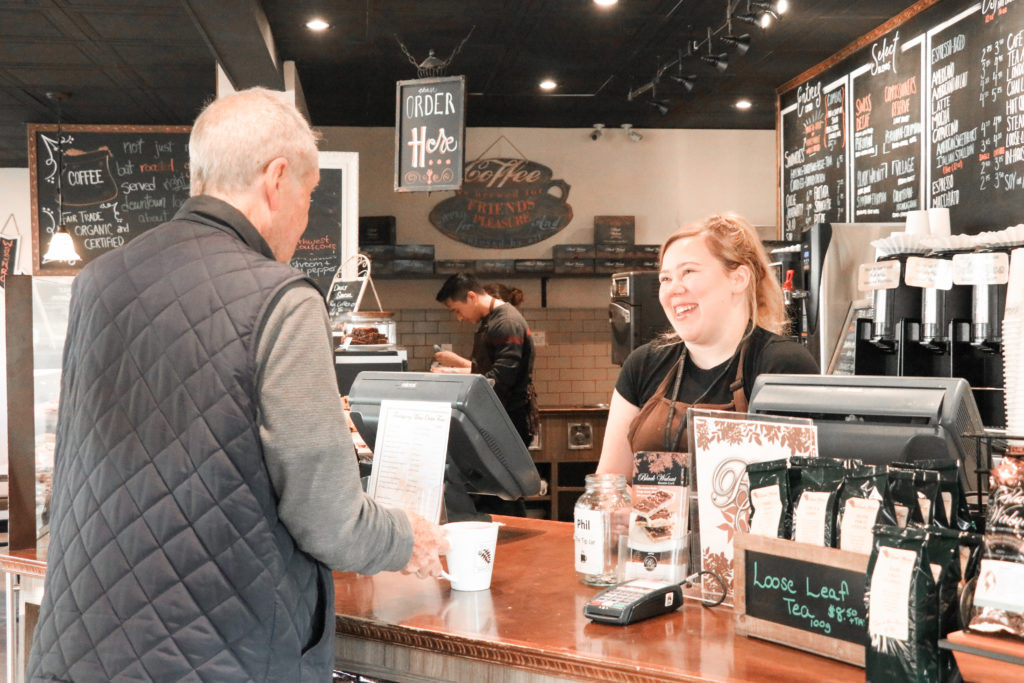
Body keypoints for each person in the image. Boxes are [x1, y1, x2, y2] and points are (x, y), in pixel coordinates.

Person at [28, 88, 446, 683]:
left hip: (78, 648)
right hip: (223, 657)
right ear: (277, 178)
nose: (305, 218)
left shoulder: (97, 282)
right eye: (309, 194)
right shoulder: (281, 299)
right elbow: (330, 521)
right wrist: (410, 537)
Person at [596, 214, 819, 479]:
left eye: (688, 272)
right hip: (648, 521)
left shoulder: (780, 366)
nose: (673, 289)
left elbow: (792, 492)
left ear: (738, 279)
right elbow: (610, 482)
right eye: (665, 279)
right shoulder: (642, 365)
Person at [434, 273, 537, 447]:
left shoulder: (506, 322)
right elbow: (485, 370)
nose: (459, 318)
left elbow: (500, 380)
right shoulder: (492, 320)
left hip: (509, 421)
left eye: (457, 310)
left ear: (471, 297)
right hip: (499, 418)